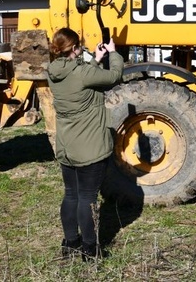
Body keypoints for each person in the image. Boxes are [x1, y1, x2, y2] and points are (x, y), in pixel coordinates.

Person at [47, 27, 124, 261]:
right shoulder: (82, 73)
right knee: (88, 198)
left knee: (71, 195)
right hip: (89, 147)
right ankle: (90, 249)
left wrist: (95, 59)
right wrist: (113, 54)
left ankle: (70, 244)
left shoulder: (53, 72)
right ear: (75, 48)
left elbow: (82, 76)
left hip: (67, 146)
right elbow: (114, 77)